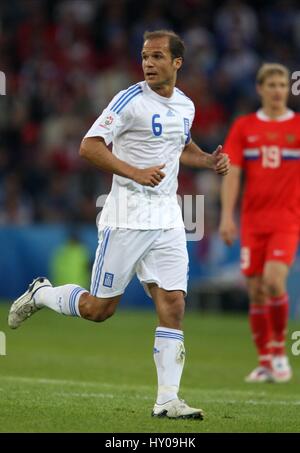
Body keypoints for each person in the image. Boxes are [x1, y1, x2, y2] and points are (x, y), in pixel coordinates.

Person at [8, 30, 229, 418]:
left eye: (158, 56)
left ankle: (167, 400)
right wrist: (134, 171)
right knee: (99, 309)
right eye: (145, 56)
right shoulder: (129, 100)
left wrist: (210, 160)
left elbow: (182, 145)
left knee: (173, 304)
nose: (148, 63)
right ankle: (42, 294)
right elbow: (89, 145)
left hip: (167, 218)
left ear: (177, 62)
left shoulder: (185, 105)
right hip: (126, 216)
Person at [219, 63, 300, 383]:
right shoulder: (244, 126)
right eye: (272, 84)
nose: (279, 90)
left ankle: (280, 352)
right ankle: (265, 360)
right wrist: (227, 215)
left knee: (273, 281)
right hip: (253, 221)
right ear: (260, 89)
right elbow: (233, 172)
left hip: (287, 220)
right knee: (255, 291)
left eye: (283, 84)